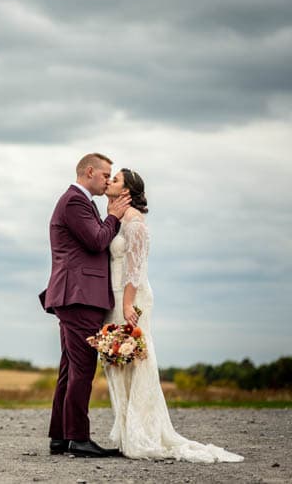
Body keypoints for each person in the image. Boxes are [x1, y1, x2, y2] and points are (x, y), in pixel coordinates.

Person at [102, 168, 243, 462]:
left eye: (115, 179)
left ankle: (143, 433)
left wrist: (128, 305)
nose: (109, 181)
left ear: (127, 191)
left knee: (136, 359)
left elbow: (135, 269)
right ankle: (127, 432)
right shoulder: (117, 219)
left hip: (131, 296)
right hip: (114, 296)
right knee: (117, 361)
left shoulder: (135, 223)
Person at [39, 153, 131, 458]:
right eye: (105, 175)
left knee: (69, 368)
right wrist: (114, 217)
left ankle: (60, 436)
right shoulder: (75, 202)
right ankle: (78, 438)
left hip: (74, 294)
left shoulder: (81, 202)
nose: (107, 180)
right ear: (89, 172)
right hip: (78, 294)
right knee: (82, 368)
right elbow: (95, 240)